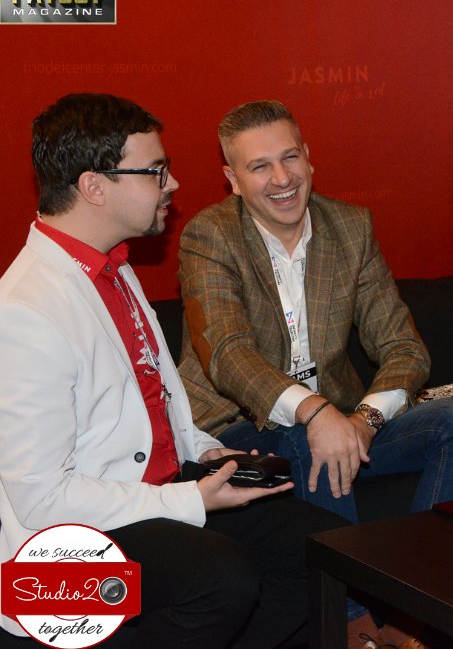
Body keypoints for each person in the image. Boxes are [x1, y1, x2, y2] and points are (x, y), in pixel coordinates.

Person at [0, 93, 347, 648]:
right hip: (59, 554)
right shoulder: (26, 310)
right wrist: (191, 500)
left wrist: (207, 453)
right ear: (94, 187)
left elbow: (149, 410)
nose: (173, 184)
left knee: (324, 546)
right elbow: (41, 498)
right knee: (222, 579)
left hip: (150, 495)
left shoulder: (112, 267)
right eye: (156, 171)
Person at [176, 100, 453, 646]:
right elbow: (228, 355)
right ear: (233, 180)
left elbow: (404, 348)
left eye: (290, 157)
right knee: (307, 435)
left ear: (309, 158)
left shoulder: (349, 226)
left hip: (341, 424)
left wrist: (363, 420)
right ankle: (351, 624)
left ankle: (416, 608)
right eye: (259, 166)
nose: (282, 179)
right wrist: (316, 412)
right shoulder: (210, 236)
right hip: (235, 431)